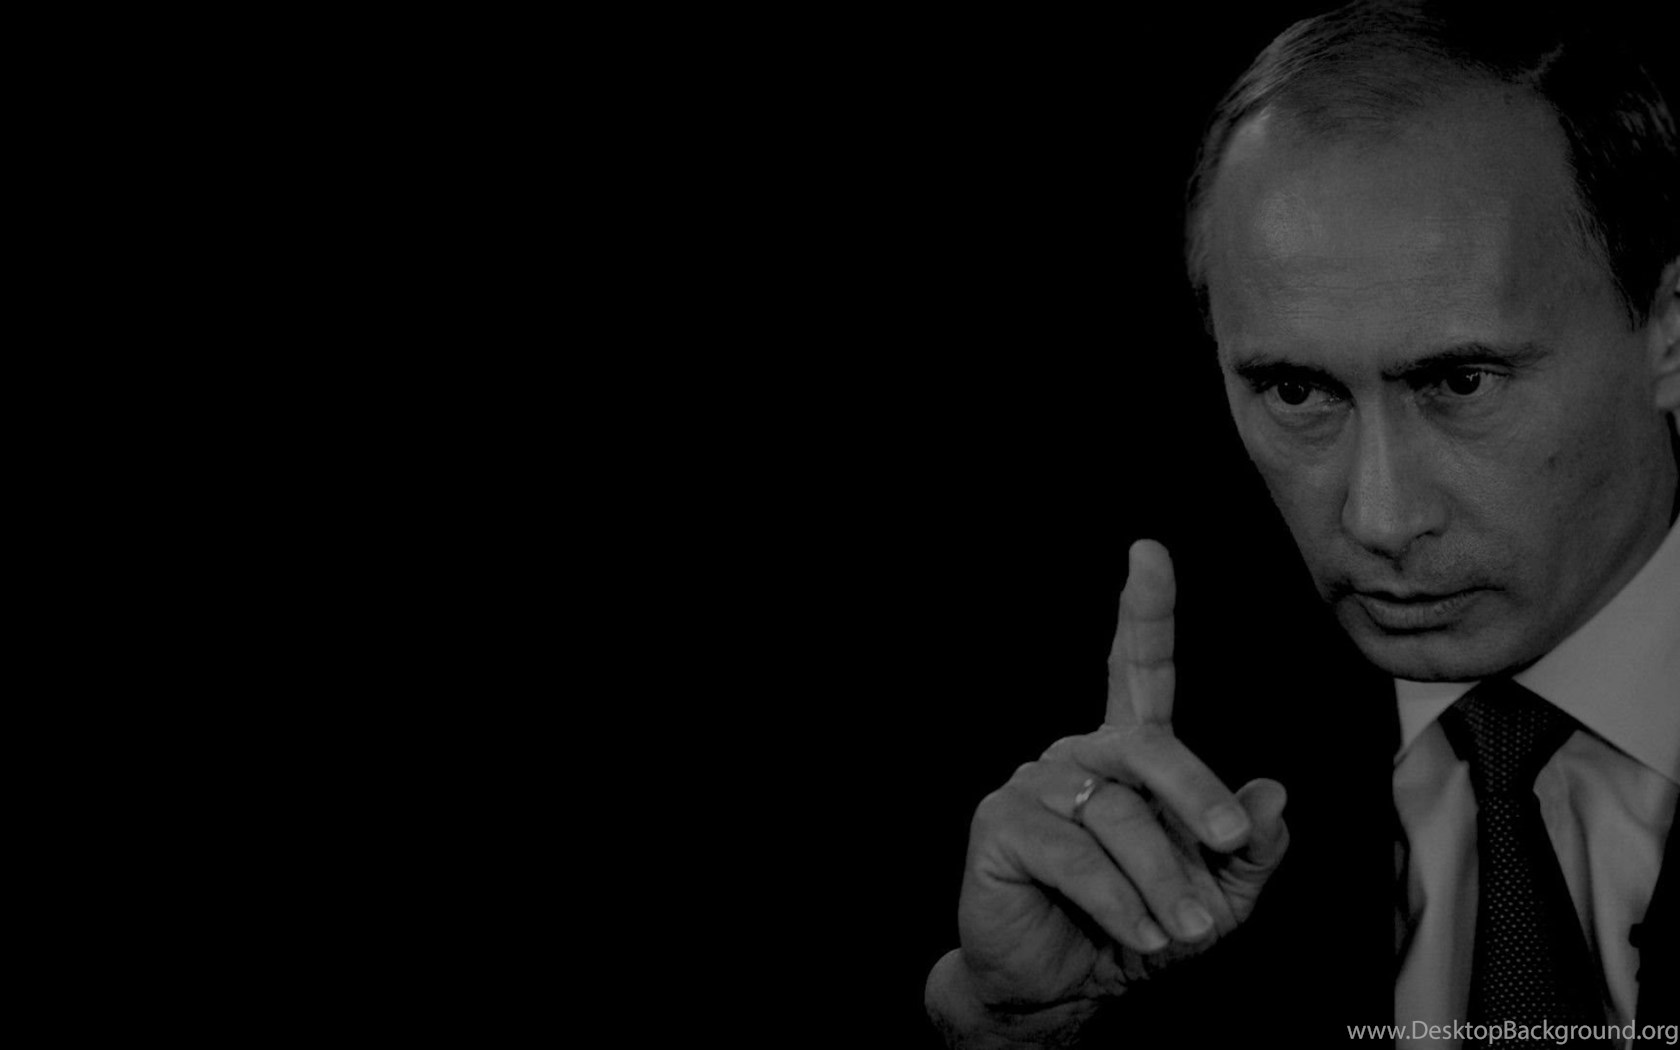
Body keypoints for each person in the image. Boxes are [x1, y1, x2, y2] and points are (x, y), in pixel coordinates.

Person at [925, 2, 1679, 1046]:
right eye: (1295, 392)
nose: (1380, 519)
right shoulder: (1127, 790)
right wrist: (1007, 1029)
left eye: (1461, 381)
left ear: (1669, 333)